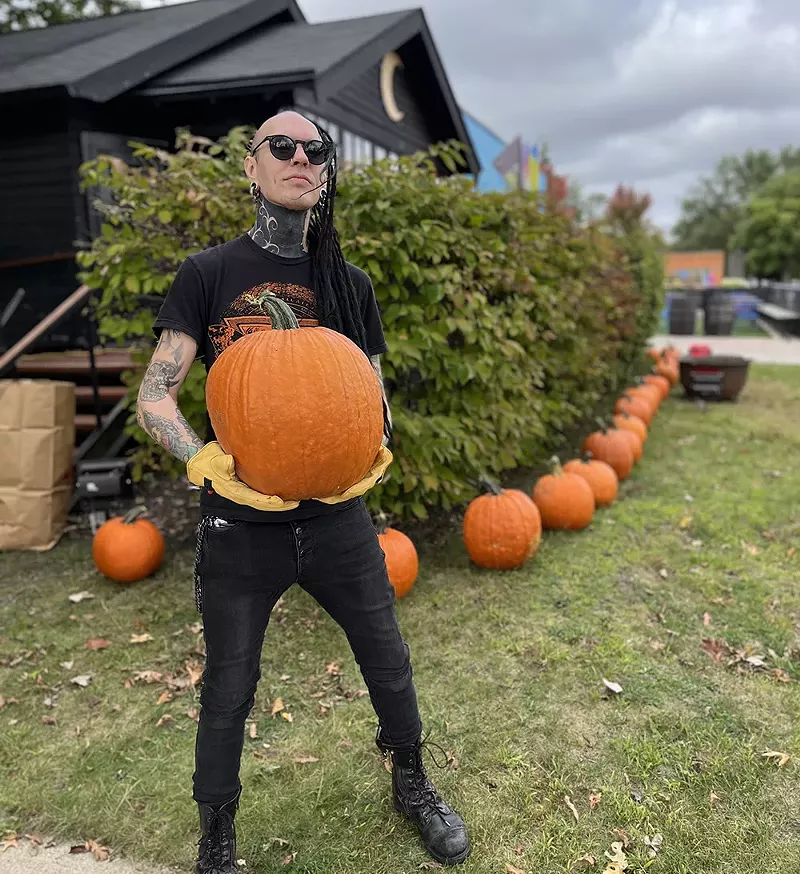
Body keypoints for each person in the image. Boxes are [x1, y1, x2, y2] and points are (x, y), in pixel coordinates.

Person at [136, 110, 470, 872]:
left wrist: (376, 449)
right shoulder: (208, 274)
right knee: (228, 684)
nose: (297, 157)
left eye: (313, 149)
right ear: (250, 169)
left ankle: (413, 786)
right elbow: (156, 397)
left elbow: (372, 399)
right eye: (278, 146)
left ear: (325, 173)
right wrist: (203, 461)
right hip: (238, 524)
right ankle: (217, 833)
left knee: (388, 658)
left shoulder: (347, 285)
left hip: (337, 518)